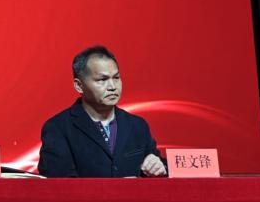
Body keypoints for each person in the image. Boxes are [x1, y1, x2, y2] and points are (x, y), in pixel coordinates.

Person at [38, 45, 167, 178]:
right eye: (102, 80)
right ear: (79, 85)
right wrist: (118, 187)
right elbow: (58, 184)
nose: (112, 86)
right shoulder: (58, 128)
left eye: (116, 78)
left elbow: (159, 168)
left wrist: (159, 167)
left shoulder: (138, 125)